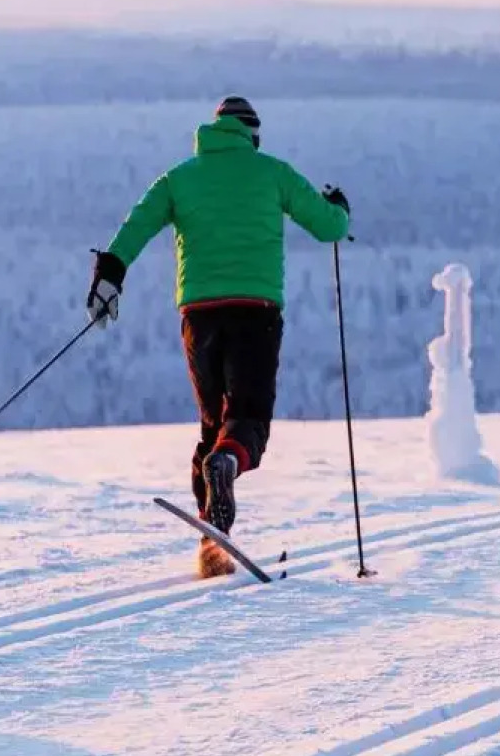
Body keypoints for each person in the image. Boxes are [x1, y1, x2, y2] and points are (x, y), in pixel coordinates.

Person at [85, 97, 350, 572]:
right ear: (252, 135)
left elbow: (137, 225)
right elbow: (328, 227)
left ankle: (213, 545)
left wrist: (110, 274)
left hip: (199, 316)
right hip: (256, 310)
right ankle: (227, 470)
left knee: (214, 424)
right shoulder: (274, 173)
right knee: (247, 419)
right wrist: (340, 209)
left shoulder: (180, 177)